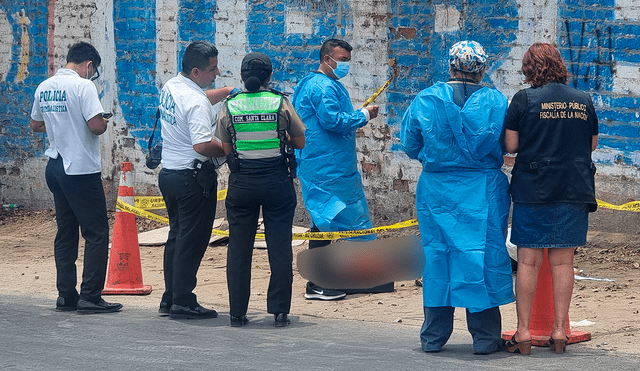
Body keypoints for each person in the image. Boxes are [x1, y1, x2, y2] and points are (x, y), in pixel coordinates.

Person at [400, 40, 514, 354]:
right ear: (484, 68)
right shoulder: (495, 101)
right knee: (482, 257)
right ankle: (486, 339)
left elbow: (410, 144)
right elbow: (507, 145)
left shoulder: (427, 99)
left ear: (450, 65)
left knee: (438, 257)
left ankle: (433, 338)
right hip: (483, 190)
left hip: (437, 191)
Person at [503, 43, 598, 355]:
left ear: (530, 69)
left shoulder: (524, 99)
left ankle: (524, 332)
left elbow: (512, 145)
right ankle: (559, 332)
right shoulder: (584, 100)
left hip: (535, 187)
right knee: (563, 262)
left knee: (528, 261)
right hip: (574, 188)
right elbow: (592, 144)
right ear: (559, 65)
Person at [29, 42, 122, 314]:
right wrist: (103, 121)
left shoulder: (44, 87)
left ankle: (66, 295)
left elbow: (35, 124)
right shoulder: (84, 87)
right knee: (96, 233)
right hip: (80, 169)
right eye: (92, 71)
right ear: (89, 66)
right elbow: (95, 127)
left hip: (55, 167)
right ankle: (90, 296)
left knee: (66, 232)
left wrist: (61, 119)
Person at [215, 52, 306, 327]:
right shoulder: (280, 102)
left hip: (243, 184)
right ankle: (279, 312)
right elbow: (300, 142)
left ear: (242, 76)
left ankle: (237, 313)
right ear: (270, 76)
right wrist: (284, 136)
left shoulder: (230, 106)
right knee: (279, 248)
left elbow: (226, 148)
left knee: (239, 249)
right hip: (277, 182)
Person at [292, 38, 379, 301]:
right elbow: (332, 121)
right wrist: (364, 115)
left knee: (345, 217)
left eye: (347, 61)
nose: (345, 65)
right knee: (324, 219)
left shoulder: (322, 84)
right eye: (341, 60)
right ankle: (317, 283)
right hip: (324, 165)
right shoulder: (320, 87)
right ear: (326, 58)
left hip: (334, 164)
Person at [157, 41, 234, 320]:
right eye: (212, 70)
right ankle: (184, 301)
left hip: (170, 174)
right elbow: (202, 144)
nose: (216, 74)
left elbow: (197, 99)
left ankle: (170, 297)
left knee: (177, 238)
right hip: (193, 179)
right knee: (192, 242)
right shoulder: (196, 101)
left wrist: (225, 93)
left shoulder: (172, 86)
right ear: (195, 71)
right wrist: (229, 149)